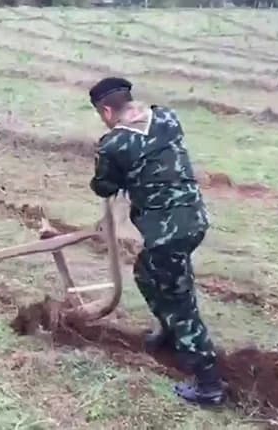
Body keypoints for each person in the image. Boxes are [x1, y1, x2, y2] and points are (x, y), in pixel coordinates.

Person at [88, 77, 225, 406]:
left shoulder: (114, 144)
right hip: (194, 220)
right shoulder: (167, 118)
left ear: (107, 110)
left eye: (100, 114)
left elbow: (103, 187)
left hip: (167, 234)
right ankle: (167, 332)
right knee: (147, 274)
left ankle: (209, 384)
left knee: (179, 303)